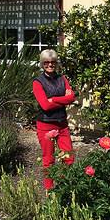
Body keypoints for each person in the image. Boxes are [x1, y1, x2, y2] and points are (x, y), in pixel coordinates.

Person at [33, 49, 75, 190]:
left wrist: (54, 99)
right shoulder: (38, 82)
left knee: (68, 158)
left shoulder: (62, 79)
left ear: (56, 63)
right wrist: (63, 99)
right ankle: (50, 192)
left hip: (62, 124)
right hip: (45, 125)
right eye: (47, 62)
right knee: (49, 161)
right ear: (42, 64)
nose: (50, 65)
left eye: (52, 62)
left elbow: (71, 98)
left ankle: (64, 188)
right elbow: (44, 105)